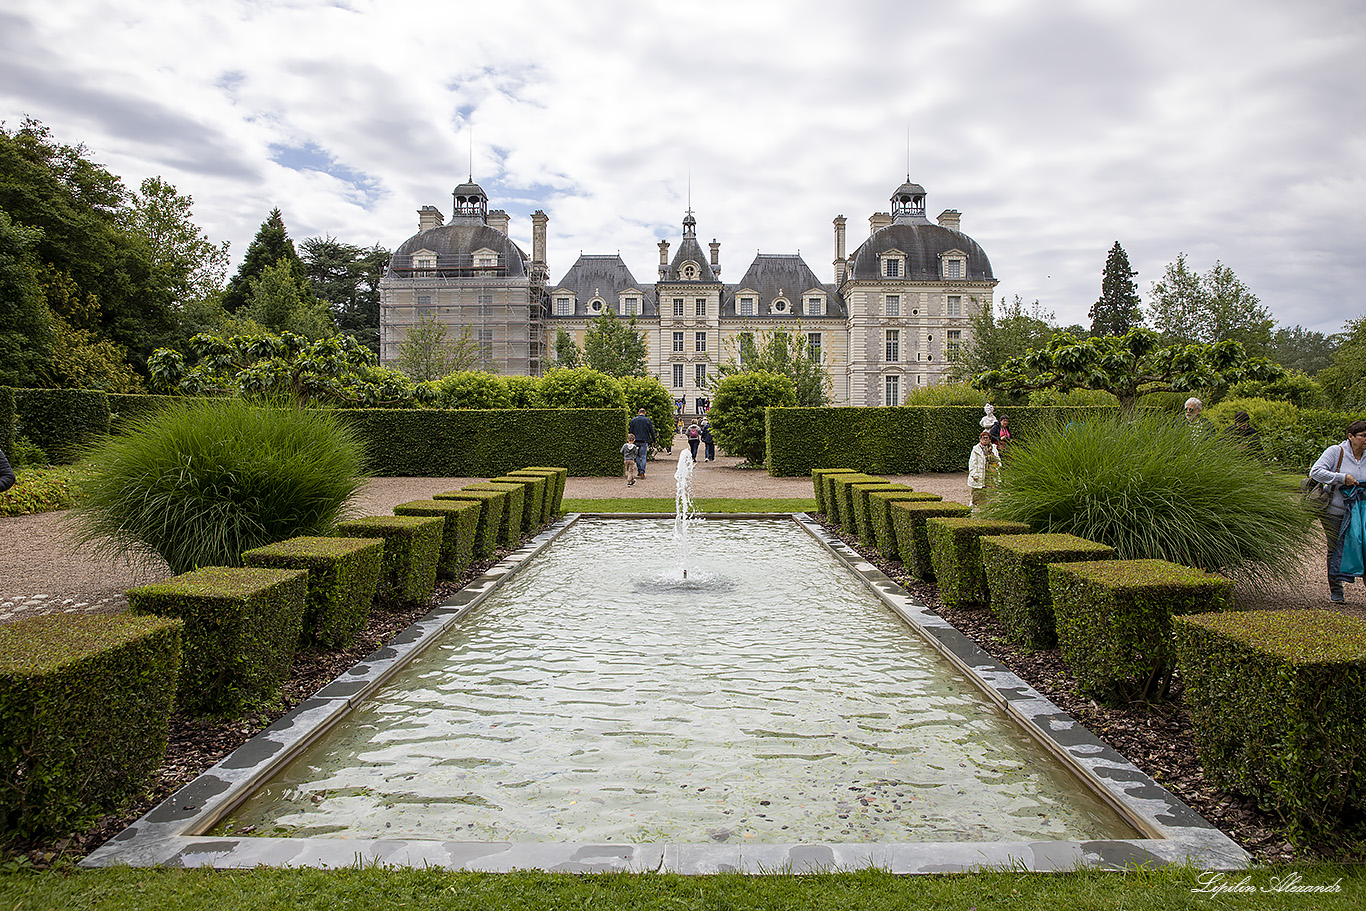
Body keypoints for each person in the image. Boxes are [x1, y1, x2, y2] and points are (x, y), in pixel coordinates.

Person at [1310, 420, 1366, 603]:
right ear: (1350, 436)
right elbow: (1315, 472)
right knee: (1334, 548)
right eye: (1363, 436)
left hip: (1361, 511)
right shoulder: (1336, 452)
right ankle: (1336, 591)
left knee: (1364, 546)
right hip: (1335, 510)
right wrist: (1342, 478)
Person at [967, 429, 1001, 512]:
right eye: (983, 438)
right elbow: (972, 462)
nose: (985, 439)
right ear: (980, 439)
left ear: (990, 439)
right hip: (979, 472)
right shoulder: (976, 449)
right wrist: (973, 473)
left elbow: (997, 459)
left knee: (990, 491)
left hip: (990, 473)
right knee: (976, 491)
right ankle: (973, 505)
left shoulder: (993, 448)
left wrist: (998, 466)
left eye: (987, 438)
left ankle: (988, 507)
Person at [628, 408, 655, 479]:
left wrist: (630, 440)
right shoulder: (647, 420)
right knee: (643, 457)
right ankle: (642, 471)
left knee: (637, 456)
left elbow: (630, 431)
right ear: (645, 413)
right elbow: (651, 431)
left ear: (638, 413)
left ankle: (639, 470)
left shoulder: (634, 420)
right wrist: (654, 440)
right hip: (644, 440)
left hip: (635, 441)